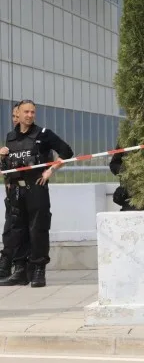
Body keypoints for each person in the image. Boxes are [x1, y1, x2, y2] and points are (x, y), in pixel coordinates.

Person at [0, 100, 73, 288]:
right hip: (16, 190)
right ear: (18, 113)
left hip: (36, 189)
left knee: (37, 229)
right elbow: (8, 166)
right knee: (17, 231)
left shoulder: (43, 134)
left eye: (33, 112)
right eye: (26, 112)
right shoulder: (11, 137)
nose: (30, 115)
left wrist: (50, 171)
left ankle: (38, 270)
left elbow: (67, 152)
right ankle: (20, 271)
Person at [0, 103, 30, 282]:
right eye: (12, 116)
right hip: (12, 192)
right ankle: (6, 264)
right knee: (10, 229)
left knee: (26, 230)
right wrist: (2, 158)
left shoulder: (34, 138)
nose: (14, 119)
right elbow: (5, 169)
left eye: (16, 115)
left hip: (29, 190)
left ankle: (22, 266)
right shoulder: (10, 138)